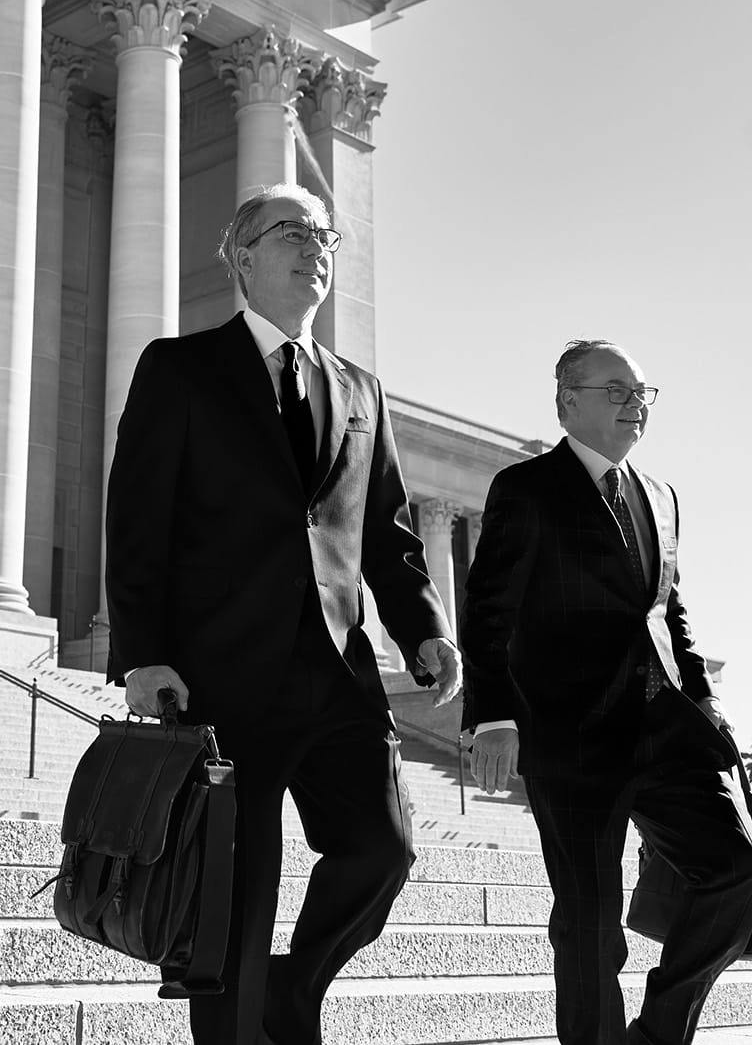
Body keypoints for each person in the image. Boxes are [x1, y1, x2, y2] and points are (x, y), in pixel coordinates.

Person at [105, 183, 463, 1045]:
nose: (315, 248)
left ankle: (292, 990)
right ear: (240, 257)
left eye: (324, 236)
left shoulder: (362, 391)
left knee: (383, 850)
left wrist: (424, 628)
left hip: (340, 672)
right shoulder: (179, 368)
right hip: (220, 675)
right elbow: (137, 517)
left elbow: (387, 531)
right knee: (237, 885)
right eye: (290, 233)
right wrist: (143, 655)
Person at [460, 340, 752, 1045]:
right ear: (568, 402)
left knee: (740, 870)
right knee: (591, 923)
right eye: (616, 391)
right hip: (571, 735)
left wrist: (708, 706)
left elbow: (669, 611)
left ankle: (658, 1032)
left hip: (668, 727)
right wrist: (493, 716)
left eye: (641, 392)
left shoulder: (661, 495)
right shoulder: (526, 488)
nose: (635, 405)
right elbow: (488, 612)